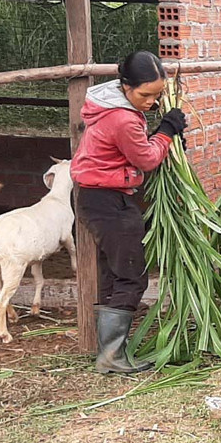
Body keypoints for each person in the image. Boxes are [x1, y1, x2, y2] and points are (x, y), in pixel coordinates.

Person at [71, 51, 187, 374]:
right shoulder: (122, 118)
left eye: (157, 95)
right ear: (125, 86)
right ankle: (111, 356)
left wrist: (159, 125)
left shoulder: (112, 105)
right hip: (107, 199)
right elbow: (147, 159)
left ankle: (108, 353)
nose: (151, 101)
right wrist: (165, 132)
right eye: (145, 95)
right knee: (132, 275)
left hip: (97, 196)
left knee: (113, 272)